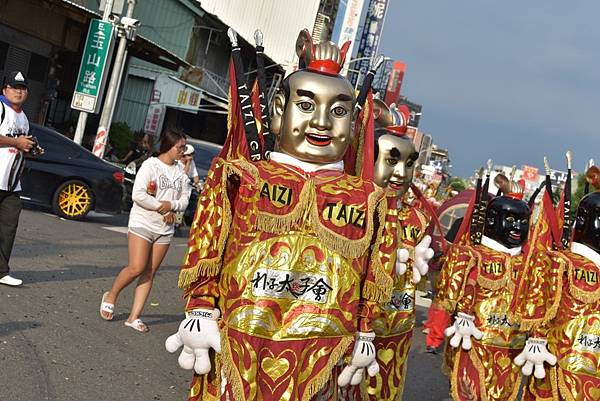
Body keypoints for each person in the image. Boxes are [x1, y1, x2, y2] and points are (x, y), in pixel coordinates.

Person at [165, 32, 396, 401]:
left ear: (353, 124)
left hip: (323, 352)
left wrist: (365, 331)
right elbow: (208, 245)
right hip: (239, 340)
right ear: (277, 109)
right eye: (306, 106)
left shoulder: (369, 199)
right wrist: (200, 308)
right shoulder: (241, 176)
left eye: (338, 112)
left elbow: (372, 275)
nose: (321, 122)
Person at [100, 129, 191, 332]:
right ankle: (112, 295)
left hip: (165, 229)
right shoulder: (151, 165)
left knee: (150, 272)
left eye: (184, 148)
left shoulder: (180, 173)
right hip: (143, 222)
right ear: (168, 146)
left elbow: (184, 200)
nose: (183, 152)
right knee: (137, 267)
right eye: (180, 147)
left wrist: (172, 206)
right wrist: (161, 207)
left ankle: (134, 317)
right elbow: (139, 195)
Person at [0, 71, 37, 287]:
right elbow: (16, 142)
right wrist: (17, 143)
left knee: (8, 228)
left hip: (12, 184)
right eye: (14, 87)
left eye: (22, 88)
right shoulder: (1, 109)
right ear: (5, 90)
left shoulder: (24, 118)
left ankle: (2, 271)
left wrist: (31, 148)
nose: (18, 91)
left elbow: (21, 144)